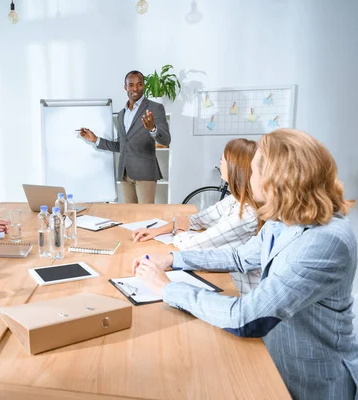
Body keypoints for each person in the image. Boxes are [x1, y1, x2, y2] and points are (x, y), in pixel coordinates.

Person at [132, 129, 358, 399]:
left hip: (311, 380)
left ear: (276, 179)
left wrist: (167, 289)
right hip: (273, 357)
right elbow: (240, 257)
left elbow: (245, 317)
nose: (249, 178)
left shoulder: (324, 242)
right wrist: (173, 259)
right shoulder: (285, 214)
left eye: (254, 171)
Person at [132, 138, 262, 295]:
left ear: (235, 168)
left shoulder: (246, 215)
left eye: (223, 160)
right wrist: (157, 231)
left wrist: (179, 231)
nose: (220, 163)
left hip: (238, 288)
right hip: (223, 274)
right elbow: (198, 219)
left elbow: (192, 245)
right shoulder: (235, 199)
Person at [79, 70, 171, 204]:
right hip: (125, 173)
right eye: (131, 85)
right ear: (125, 87)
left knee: (145, 216)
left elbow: (166, 139)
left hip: (145, 173)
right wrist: (95, 139)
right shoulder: (122, 114)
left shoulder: (155, 108)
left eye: (139, 84)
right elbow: (122, 145)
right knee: (129, 215)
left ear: (144, 85)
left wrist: (152, 128)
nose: (135, 88)